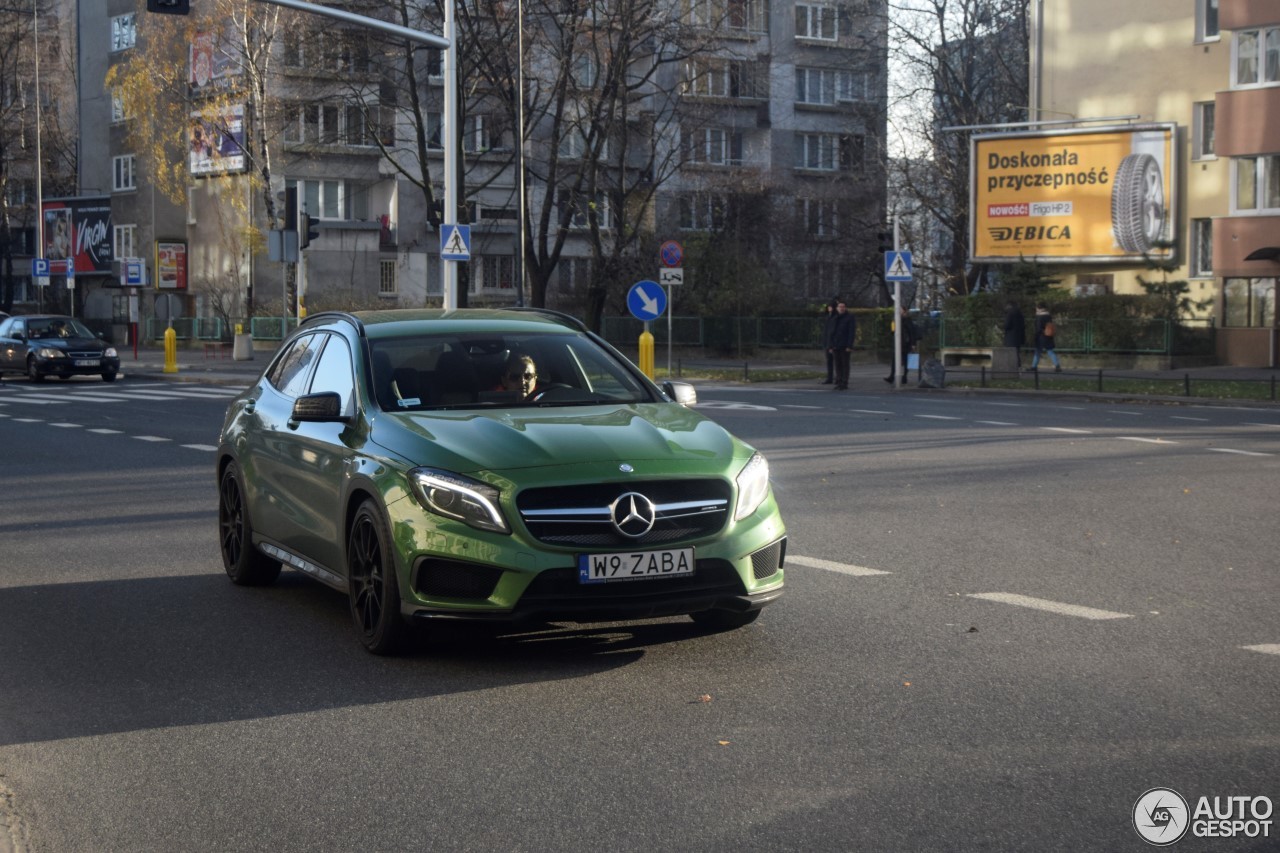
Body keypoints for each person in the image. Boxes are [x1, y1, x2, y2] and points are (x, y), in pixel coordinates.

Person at [884, 305, 920, 384]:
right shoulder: (897, 320)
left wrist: (913, 344)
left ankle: (904, 377)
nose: (899, 311)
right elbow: (893, 332)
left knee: (906, 361)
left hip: (906, 343)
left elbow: (911, 333)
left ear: (904, 311)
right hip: (898, 343)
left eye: (900, 310)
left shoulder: (907, 320)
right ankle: (892, 376)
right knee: (894, 360)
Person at [827, 301, 856, 390]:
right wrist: (830, 346)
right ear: (837, 308)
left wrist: (849, 345)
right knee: (837, 364)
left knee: (845, 364)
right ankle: (839, 381)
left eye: (843, 306)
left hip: (844, 345)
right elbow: (831, 333)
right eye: (840, 307)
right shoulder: (835, 318)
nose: (841, 308)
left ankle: (844, 382)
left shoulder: (849, 318)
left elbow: (851, 333)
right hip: (836, 345)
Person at [1029, 303, 1062, 372]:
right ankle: (1057, 365)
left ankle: (1034, 366)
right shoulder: (1048, 316)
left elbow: (1038, 328)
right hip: (1048, 336)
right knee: (1050, 351)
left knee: (1038, 351)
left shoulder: (1039, 317)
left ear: (1039, 309)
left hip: (1041, 337)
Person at [820, 297, 839, 384]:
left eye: (830, 307)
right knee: (829, 362)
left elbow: (833, 332)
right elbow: (826, 331)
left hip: (833, 343)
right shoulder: (828, 317)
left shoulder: (835, 318)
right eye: (828, 307)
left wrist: (832, 344)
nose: (829, 308)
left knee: (837, 362)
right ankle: (830, 377)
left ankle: (838, 378)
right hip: (827, 342)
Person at [1003, 301, 1026, 369]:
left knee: (1010, 351)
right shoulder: (1020, 313)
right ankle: (1018, 365)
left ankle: (1011, 366)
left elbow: (1007, 325)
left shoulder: (1010, 314)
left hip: (1011, 336)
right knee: (1016, 352)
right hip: (1019, 336)